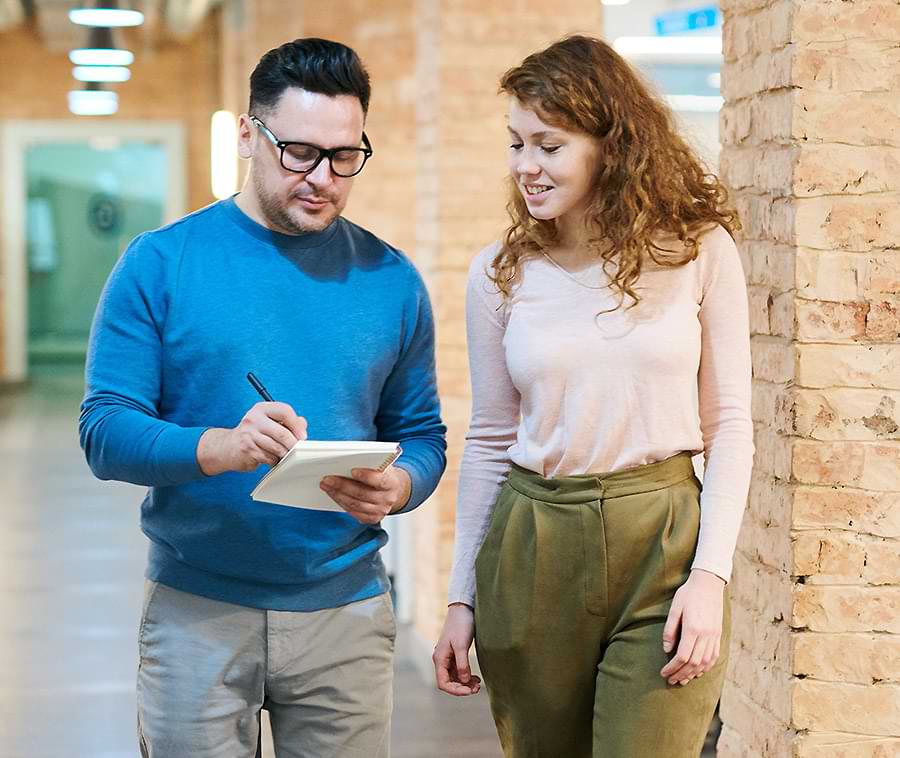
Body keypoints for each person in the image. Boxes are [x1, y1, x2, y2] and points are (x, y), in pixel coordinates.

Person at [79, 37, 446, 758]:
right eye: (299, 152)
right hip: (197, 613)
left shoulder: (391, 280)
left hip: (347, 612)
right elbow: (104, 431)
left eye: (345, 156)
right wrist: (221, 447)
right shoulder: (161, 263)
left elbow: (425, 435)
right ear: (249, 134)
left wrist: (399, 486)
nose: (323, 177)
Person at [432, 34, 754, 757]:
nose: (525, 166)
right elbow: (488, 438)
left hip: (663, 542)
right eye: (516, 143)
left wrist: (710, 578)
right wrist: (459, 598)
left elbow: (731, 424)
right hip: (532, 544)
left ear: (610, 144)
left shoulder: (700, 250)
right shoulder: (499, 275)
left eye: (548, 145)